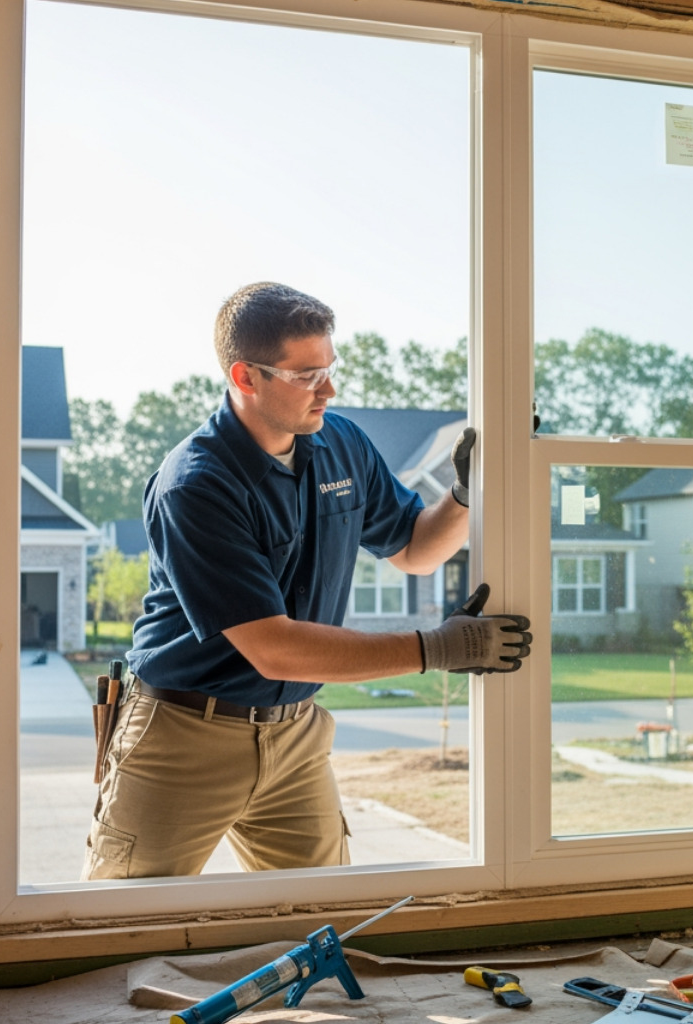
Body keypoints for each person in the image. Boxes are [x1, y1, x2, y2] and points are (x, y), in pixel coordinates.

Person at [81, 282, 531, 880]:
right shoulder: (196, 484)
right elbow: (275, 648)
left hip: (295, 737)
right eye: (307, 375)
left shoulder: (341, 443)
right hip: (182, 737)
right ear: (246, 377)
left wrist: (466, 494)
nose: (330, 389)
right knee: (117, 926)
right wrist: (439, 648)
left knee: (319, 920)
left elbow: (417, 549)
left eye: (330, 368)